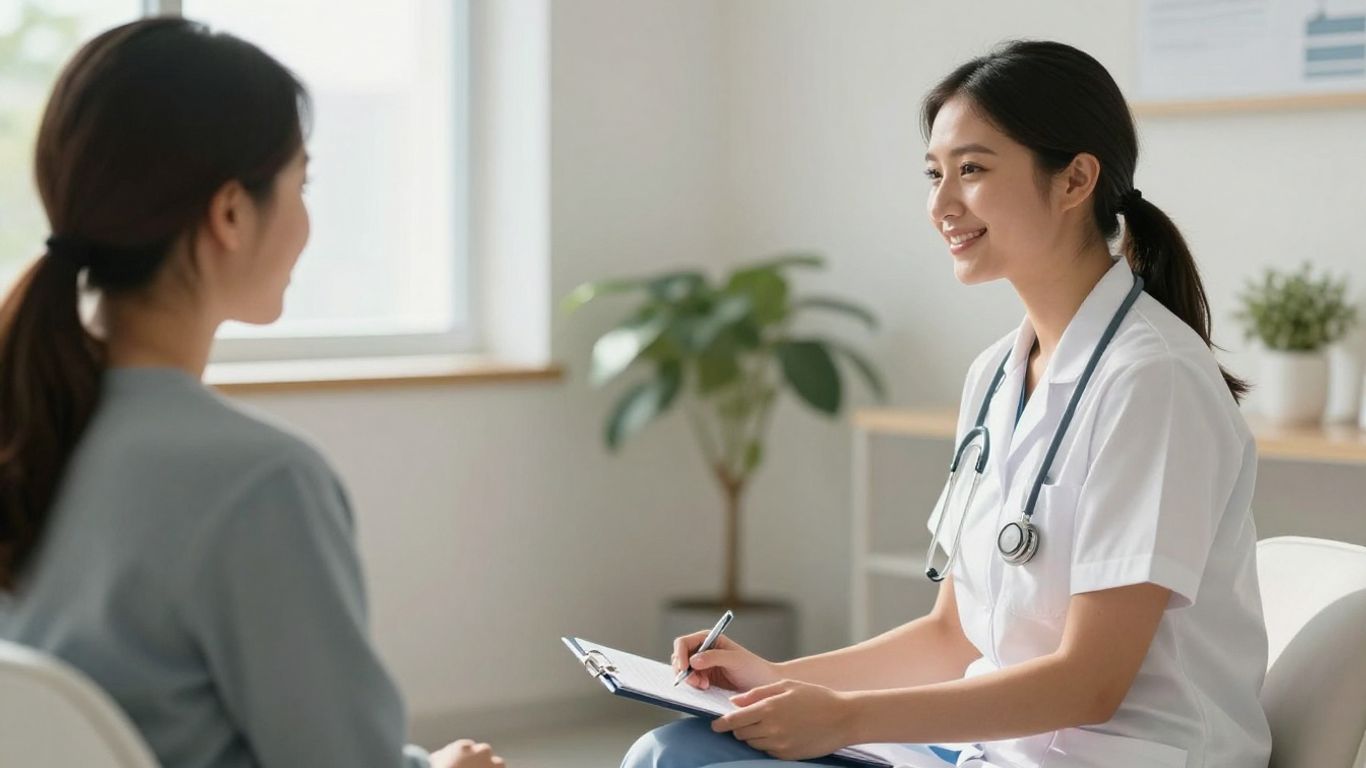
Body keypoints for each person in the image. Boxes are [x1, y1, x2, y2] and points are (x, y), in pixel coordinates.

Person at [621, 39, 1271, 768]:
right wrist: (776, 680)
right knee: (675, 745)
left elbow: (1090, 685)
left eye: (972, 170)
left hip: (1123, 756)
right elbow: (953, 636)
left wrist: (841, 719)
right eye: (935, 173)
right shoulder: (997, 373)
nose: (941, 205)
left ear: (1075, 180)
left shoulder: (1154, 381)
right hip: (994, 749)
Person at [0, 17, 504, 768]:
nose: (306, 220)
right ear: (231, 212)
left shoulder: (26, 422)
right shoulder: (259, 482)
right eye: (301, 183)